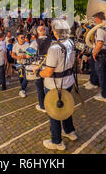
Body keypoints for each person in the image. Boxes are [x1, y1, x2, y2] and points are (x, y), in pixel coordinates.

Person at [38, 18, 77, 151]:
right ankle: (69, 131)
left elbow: (49, 71)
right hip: (69, 81)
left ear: (56, 32)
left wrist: (38, 73)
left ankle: (57, 141)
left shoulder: (54, 48)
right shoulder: (71, 42)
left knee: (53, 112)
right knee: (66, 106)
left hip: (55, 85)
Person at [30, 25, 52, 113]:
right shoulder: (52, 41)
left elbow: (28, 55)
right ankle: (51, 105)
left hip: (39, 69)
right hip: (49, 68)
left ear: (37, 33)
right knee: (49, 87)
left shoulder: (34, 43)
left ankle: (43, 106)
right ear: (45, 31)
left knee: (40, 88)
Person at [11, 31, 30, 98]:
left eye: (24, 37)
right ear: (18, 38)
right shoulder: (15, 45)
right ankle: (23, 86)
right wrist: (17, 57)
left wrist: (25, 56)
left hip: (26, 63)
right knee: (21, 77)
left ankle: (22, 89)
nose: (23, 38)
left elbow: (31, 55)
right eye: (22, 37)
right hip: (19, 63)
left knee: (27, 76)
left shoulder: (27, 44)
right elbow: (12, 55)